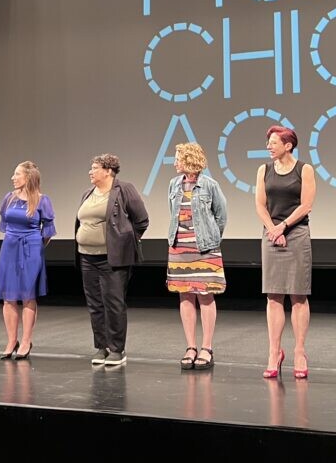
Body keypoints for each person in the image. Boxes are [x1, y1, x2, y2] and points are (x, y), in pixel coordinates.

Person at [74, 153, 149, 367]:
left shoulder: (124, 189)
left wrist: (125, 240)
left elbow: (142, 220)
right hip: (86, 256)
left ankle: (117, 349)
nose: (91, 171)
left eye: (95, 167)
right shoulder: (88, 193)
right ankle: (101, 347)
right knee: (95, 304)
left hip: (112, 258)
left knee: (113, 303)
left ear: (108, 170)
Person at [255, 125, 316, 380]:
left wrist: (283, 227)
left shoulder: (305, 169)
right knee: (273, 297)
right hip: (271, 236)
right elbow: (260, 204)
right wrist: (272, 229)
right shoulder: (264, 169)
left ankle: (300, 352)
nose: (269, 146)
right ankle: (274, 352)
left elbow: (306, 205)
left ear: (288, 145)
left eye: (273, 142)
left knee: (298, 296)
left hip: (296, 234)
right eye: (268, 142)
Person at [166, 142, 227, 370]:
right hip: (179, 248)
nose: (174, 162)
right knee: (185, 295)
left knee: (206, 295)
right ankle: (190, 347)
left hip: (205, 249)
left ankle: (206, 347)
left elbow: (221, 215)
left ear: (189, 159)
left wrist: (211, 240)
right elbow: (173, 213)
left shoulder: (209, 185)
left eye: (178, 158)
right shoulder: (174, 184)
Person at [0, 161, 55, 360]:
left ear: (28, 177)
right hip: (9, 247)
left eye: (17, 174)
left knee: (28, 295)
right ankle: (12, 340)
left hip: (31, 248)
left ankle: (27, 340)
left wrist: (36, 247)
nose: (13, 178)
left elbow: (47, 232)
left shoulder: (41, 200)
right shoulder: (8, 198)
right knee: (8, 296)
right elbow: (4, 225)